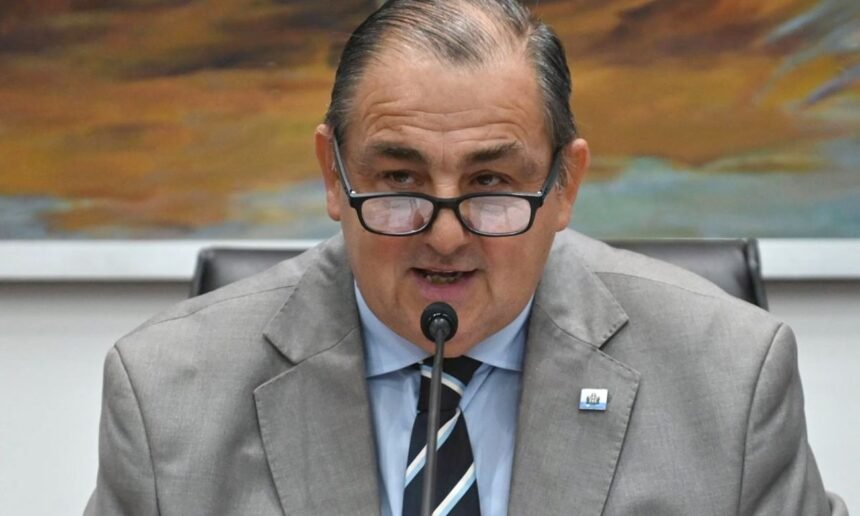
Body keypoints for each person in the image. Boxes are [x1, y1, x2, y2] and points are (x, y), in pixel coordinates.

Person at [86, 1, 847, 515]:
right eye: (399, 180)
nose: (445, 236)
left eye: (490, 183)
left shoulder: (729, 379)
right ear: (333, 175)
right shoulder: (168, 396)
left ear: (564, 186)